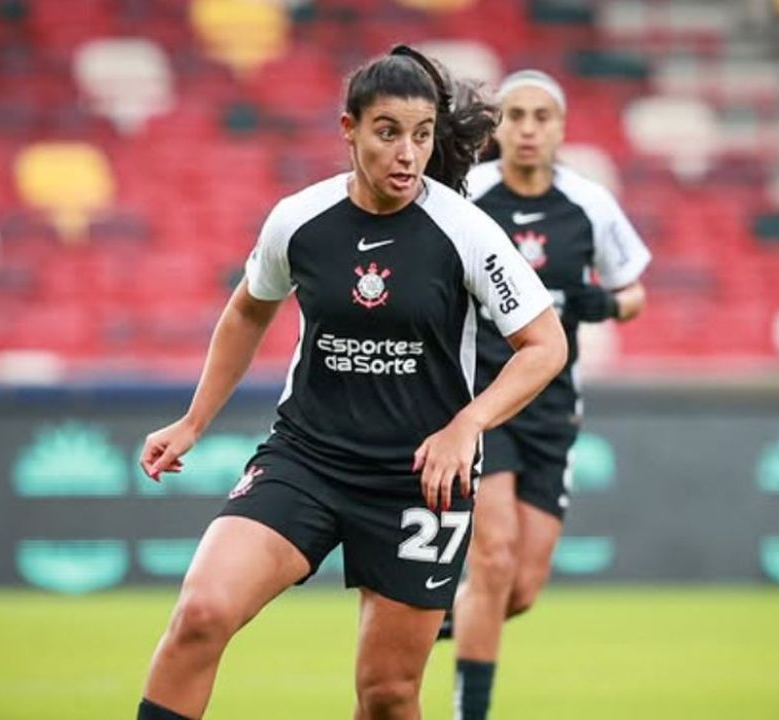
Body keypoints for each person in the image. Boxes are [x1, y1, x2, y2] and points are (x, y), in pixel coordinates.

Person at [135, 47, 567, 720]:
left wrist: (466, 426)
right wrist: (194, 420)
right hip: (306, 459)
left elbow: (546, 346)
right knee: (200, 614)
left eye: (421, 135)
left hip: (417, 480)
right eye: (387, 132)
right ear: (349, 129)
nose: (406, 153)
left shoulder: (466, 232)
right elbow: (249, 308)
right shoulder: (298, 220)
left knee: (389, 696)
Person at [447, 70, 652, 720]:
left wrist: (608, 304)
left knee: (520, 588)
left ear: (561, 128)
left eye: (542, 116)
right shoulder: (467, 197)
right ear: (497, 126)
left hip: (554, 409)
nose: (528, 128)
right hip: (485, 396)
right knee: (495, 553)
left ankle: (443, 612)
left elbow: (635, 292)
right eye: (514, 115)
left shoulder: (589, 204)